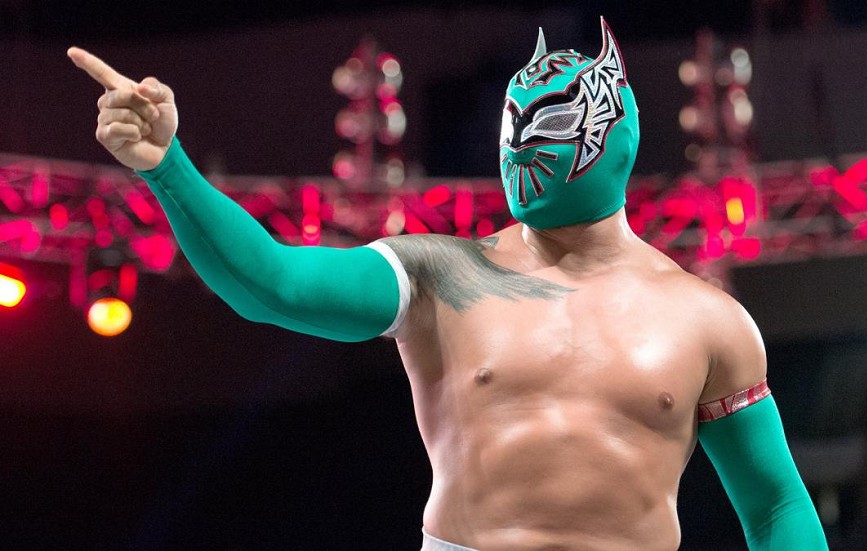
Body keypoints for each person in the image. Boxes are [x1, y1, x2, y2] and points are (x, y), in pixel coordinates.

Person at [68, 17, 827, 551]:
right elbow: (274, 283)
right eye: (513, 120)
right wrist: (168, 167)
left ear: (612, 132)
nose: (521, 145)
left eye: (547, 121)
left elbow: (776, 505)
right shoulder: (444, 274)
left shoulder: (706, 318)